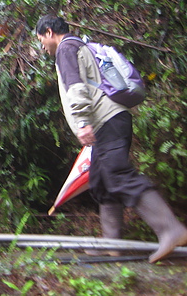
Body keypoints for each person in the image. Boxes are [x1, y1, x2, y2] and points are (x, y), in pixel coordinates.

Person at [35, 14, 187, 262]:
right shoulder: (79, 46)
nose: (41, 44)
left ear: (49, 32)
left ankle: (171, 229)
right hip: (110, 121)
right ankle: (112, 244)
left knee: (115, 172)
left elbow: (76, 87)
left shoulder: (66, 48)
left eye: (40, 38)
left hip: (108, 120)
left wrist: (82, 121)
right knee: (102, 181)